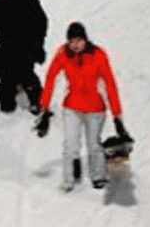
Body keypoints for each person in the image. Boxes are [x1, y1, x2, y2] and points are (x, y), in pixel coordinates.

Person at [35, 22, 129, 192]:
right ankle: (68, 179)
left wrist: (117, 116)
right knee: (71, 144)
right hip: (72, 106)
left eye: (79, 40)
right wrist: (44, 110)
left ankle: (98, 176)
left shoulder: (98, 54)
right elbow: (50, 80)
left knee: (94, 144)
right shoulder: (63, 54)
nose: (75, 45)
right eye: (72, 41)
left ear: (85, 40)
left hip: (95, 108)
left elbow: (110, 84)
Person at [0, 0, 47, 114]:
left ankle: (38, 102)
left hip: (25, 42)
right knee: (5, 71)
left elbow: (40, 22)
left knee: (26, 72)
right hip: (6, 40)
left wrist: (38, 46)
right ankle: (7, 107)